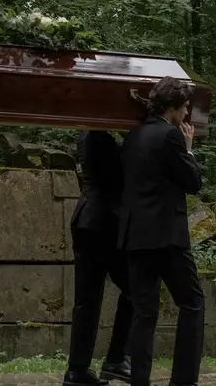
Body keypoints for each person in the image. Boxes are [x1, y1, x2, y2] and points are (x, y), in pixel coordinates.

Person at [118, 77, 204, 386]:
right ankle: (183, 380)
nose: (186, 114)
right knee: (193, 303)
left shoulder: (132, 136)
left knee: (145, 313)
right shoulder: (170, 137)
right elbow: (192, 182)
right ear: (172, 108)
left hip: (135, 236)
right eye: (184, 108)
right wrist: (189, 149)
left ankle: (139, 379)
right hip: (166, 235)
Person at [63, 130, 134, 386]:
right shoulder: (98, 136)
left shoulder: (85, 133)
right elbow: (121, 175)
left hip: (87, 219)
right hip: (103, 223)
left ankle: (77, 368)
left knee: (87, 301)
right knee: (136, 289)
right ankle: (114, 360)